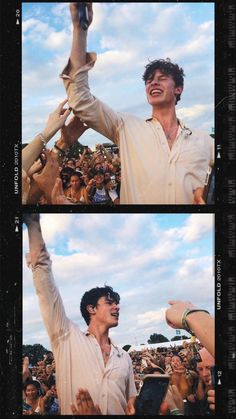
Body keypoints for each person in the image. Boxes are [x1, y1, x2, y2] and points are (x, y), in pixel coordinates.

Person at [61, 3, 214, 205]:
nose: (153, 82)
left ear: (179, 89)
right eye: (149, 79)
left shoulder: (206, 142)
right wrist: (80, 29)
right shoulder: (126, 126)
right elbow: (79, 99)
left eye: (162, 77)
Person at [23, 214, 137, 415]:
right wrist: (33, 224)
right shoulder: (67, 338)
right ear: (91, 309)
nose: (117, 307)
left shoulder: (124, 357)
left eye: (117, 304)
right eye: (110, 303)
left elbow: (130, 403)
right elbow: (44, 282)